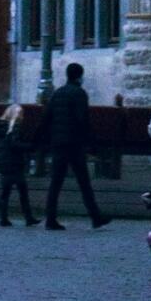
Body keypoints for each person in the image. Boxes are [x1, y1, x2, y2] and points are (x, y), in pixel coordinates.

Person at [42, 62, 108, 230]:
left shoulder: (58, 93)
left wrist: (40, 139)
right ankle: (95, 216)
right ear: (80, 76)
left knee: (55, 182)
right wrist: (91, 143)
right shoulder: (79, 94)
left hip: (58, 143)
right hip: (74, 144)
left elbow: (47, 117)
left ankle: (50, 218)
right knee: (84, 182)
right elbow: (83, 120)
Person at [0, 104, 37, 228]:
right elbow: (15, 144)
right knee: (22, 191)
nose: (21, 116)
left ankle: (4, 218)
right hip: (14, 163)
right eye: (20, 113)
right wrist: (29, 147)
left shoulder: (0, 126)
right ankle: (27, 217)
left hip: (5, 162)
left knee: (6, 192)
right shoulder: (13, 127)